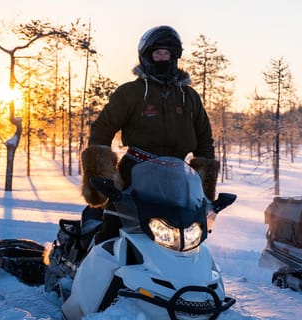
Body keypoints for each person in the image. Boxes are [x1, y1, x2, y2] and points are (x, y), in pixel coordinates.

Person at [81, 25, 220, 243]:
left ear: (174, 57)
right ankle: (91, 260)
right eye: (157, 53)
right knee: (111, 233)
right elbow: (102, 129)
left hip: (178, 180)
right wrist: (100, 174)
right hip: (134, 173)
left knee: (189, 237)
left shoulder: (189, 97)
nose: (163, 58)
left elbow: (204, 138)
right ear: (147, 57)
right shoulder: (130, 93)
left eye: (167, 54)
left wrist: (204, 185)